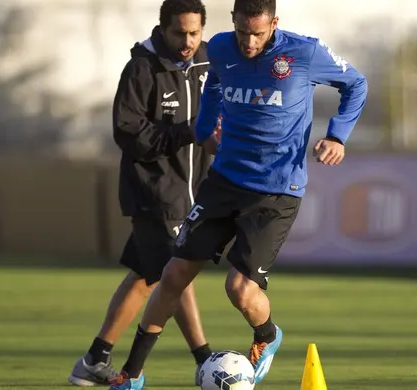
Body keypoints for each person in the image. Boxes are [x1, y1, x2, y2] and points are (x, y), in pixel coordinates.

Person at [109, 0, 368, 388]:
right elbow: (213, 84)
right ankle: (132, 374)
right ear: (233, 22)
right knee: (173, 273)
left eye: (258, 34)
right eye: (243, 32)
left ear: (274, 23)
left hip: (276, 190)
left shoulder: (304, 52)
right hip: (225, 181)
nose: (248, 42)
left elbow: (356, 83)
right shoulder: (221, 47)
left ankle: (267, 335)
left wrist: (336, 136)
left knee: (239, 289)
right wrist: (205, 128)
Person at [68, 0, 221, 386]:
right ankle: (205, 361)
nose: (187, 42)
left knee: (145, 277)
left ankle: (94, 359)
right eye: (178, 33)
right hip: (154, 192)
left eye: (194, 32)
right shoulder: (142, 68)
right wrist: (189, 131)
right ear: (162, 29)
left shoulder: (210, 62)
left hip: (193, 193)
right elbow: (130, 135)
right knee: (177, 272)